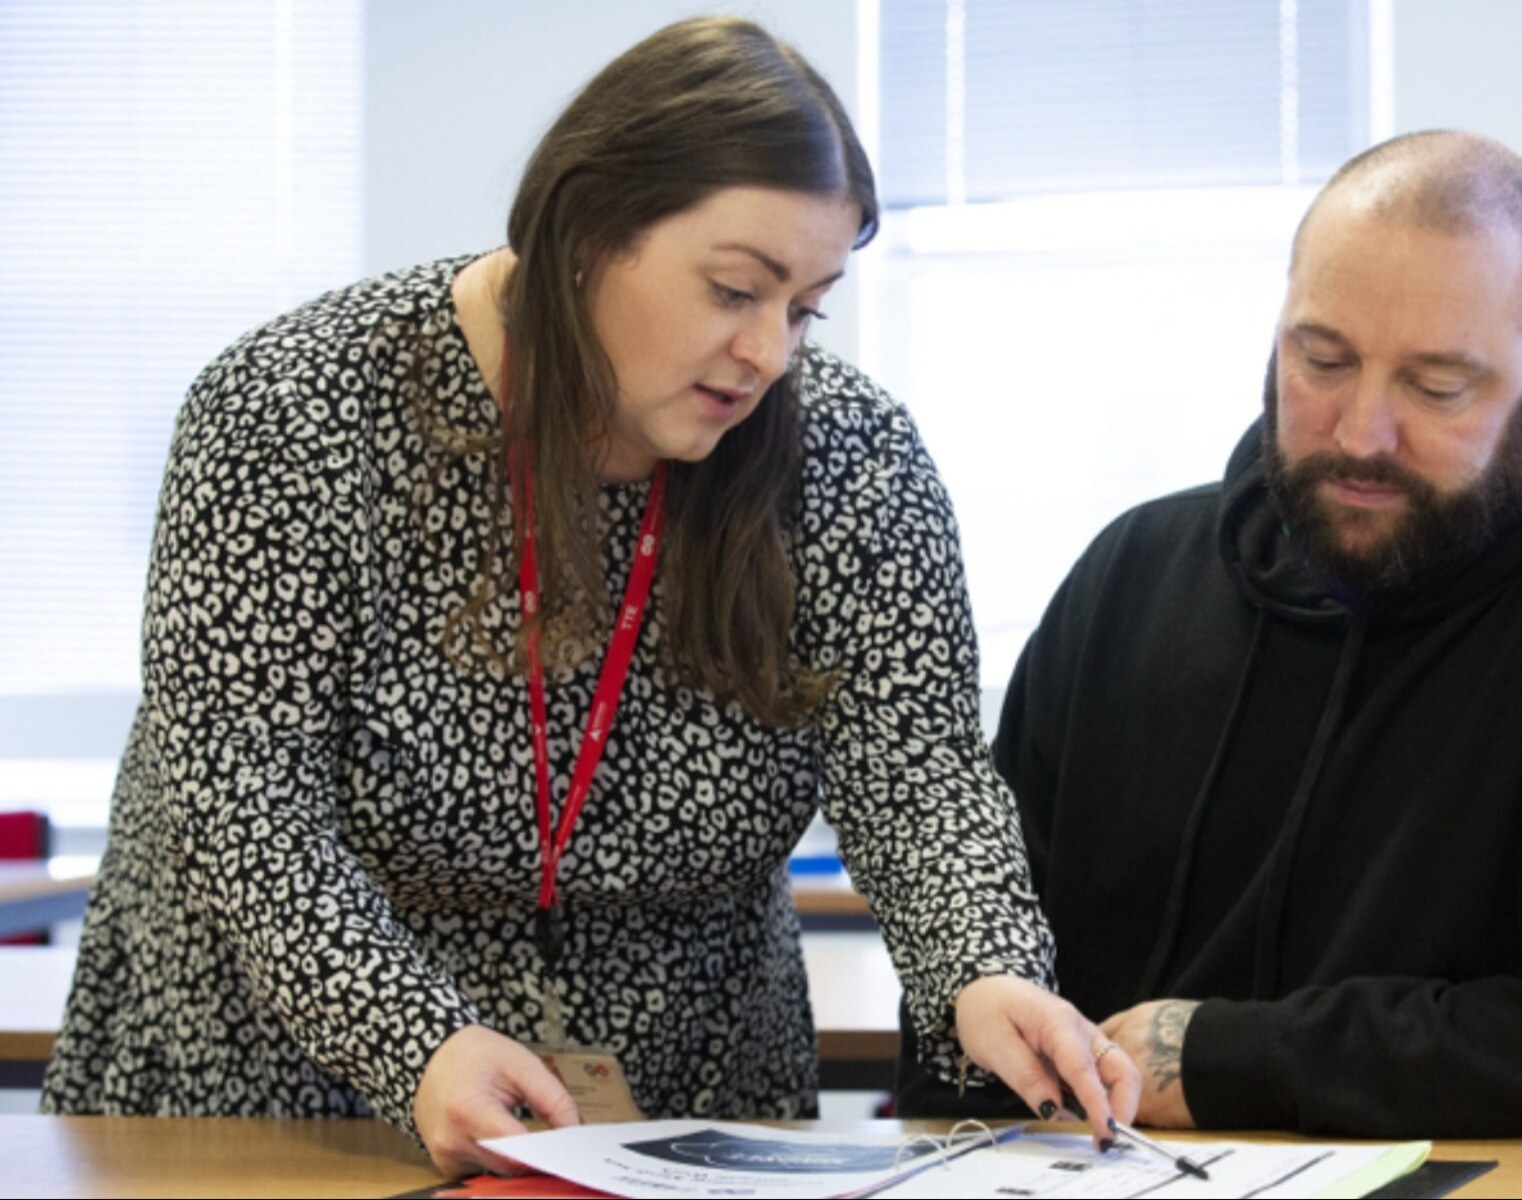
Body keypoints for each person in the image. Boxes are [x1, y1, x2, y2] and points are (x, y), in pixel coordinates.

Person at [42, 16, 1135, 1174]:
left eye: (804, 307)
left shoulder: (848, 455)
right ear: (584, 232)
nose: (768, 352)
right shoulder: (293, 411)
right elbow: (241, 791)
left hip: (683, 1112)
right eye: (733, 290)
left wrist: (985, 967)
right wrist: (413, 1040)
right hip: (284, 1098)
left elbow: (915, 772)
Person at [897, 130, 1522, 1136]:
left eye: (1435, 386)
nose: (1361, 432)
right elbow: (973, 967)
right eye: (1319, 360)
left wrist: (1226, 1058)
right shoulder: (1128, 580)